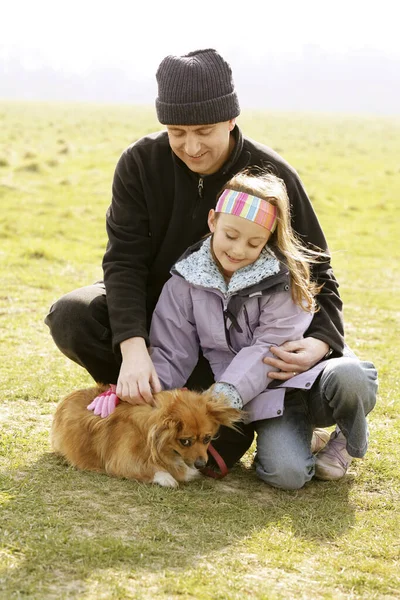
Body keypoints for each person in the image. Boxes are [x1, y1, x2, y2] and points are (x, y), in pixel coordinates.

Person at [45, 48, 378, 484]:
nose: (191, 145)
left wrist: (322, 341)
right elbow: (122, 260)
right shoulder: (139, 163)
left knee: (243, 453)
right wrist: (133, 348)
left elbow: (318, 273)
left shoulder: (272, 175)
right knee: (72, 314)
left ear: (231, 120)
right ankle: (143, 408)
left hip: (249, 340)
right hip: (170, 320)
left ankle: (269, 421)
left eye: (204, 130)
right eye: (177, 132)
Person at [89, 171, 377, 488]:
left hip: (306, 379)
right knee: (286, 475)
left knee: (351, 376)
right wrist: (142, 399)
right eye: (230, 235)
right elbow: (172, 351)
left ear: (268, 238)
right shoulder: (183, 283)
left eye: (254, 242)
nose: (239, 249)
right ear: (213, 221)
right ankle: (303, 438)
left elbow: (267, 349)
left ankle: (345, 439)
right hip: (268, 397)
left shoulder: (285, 281)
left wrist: (226, 394)